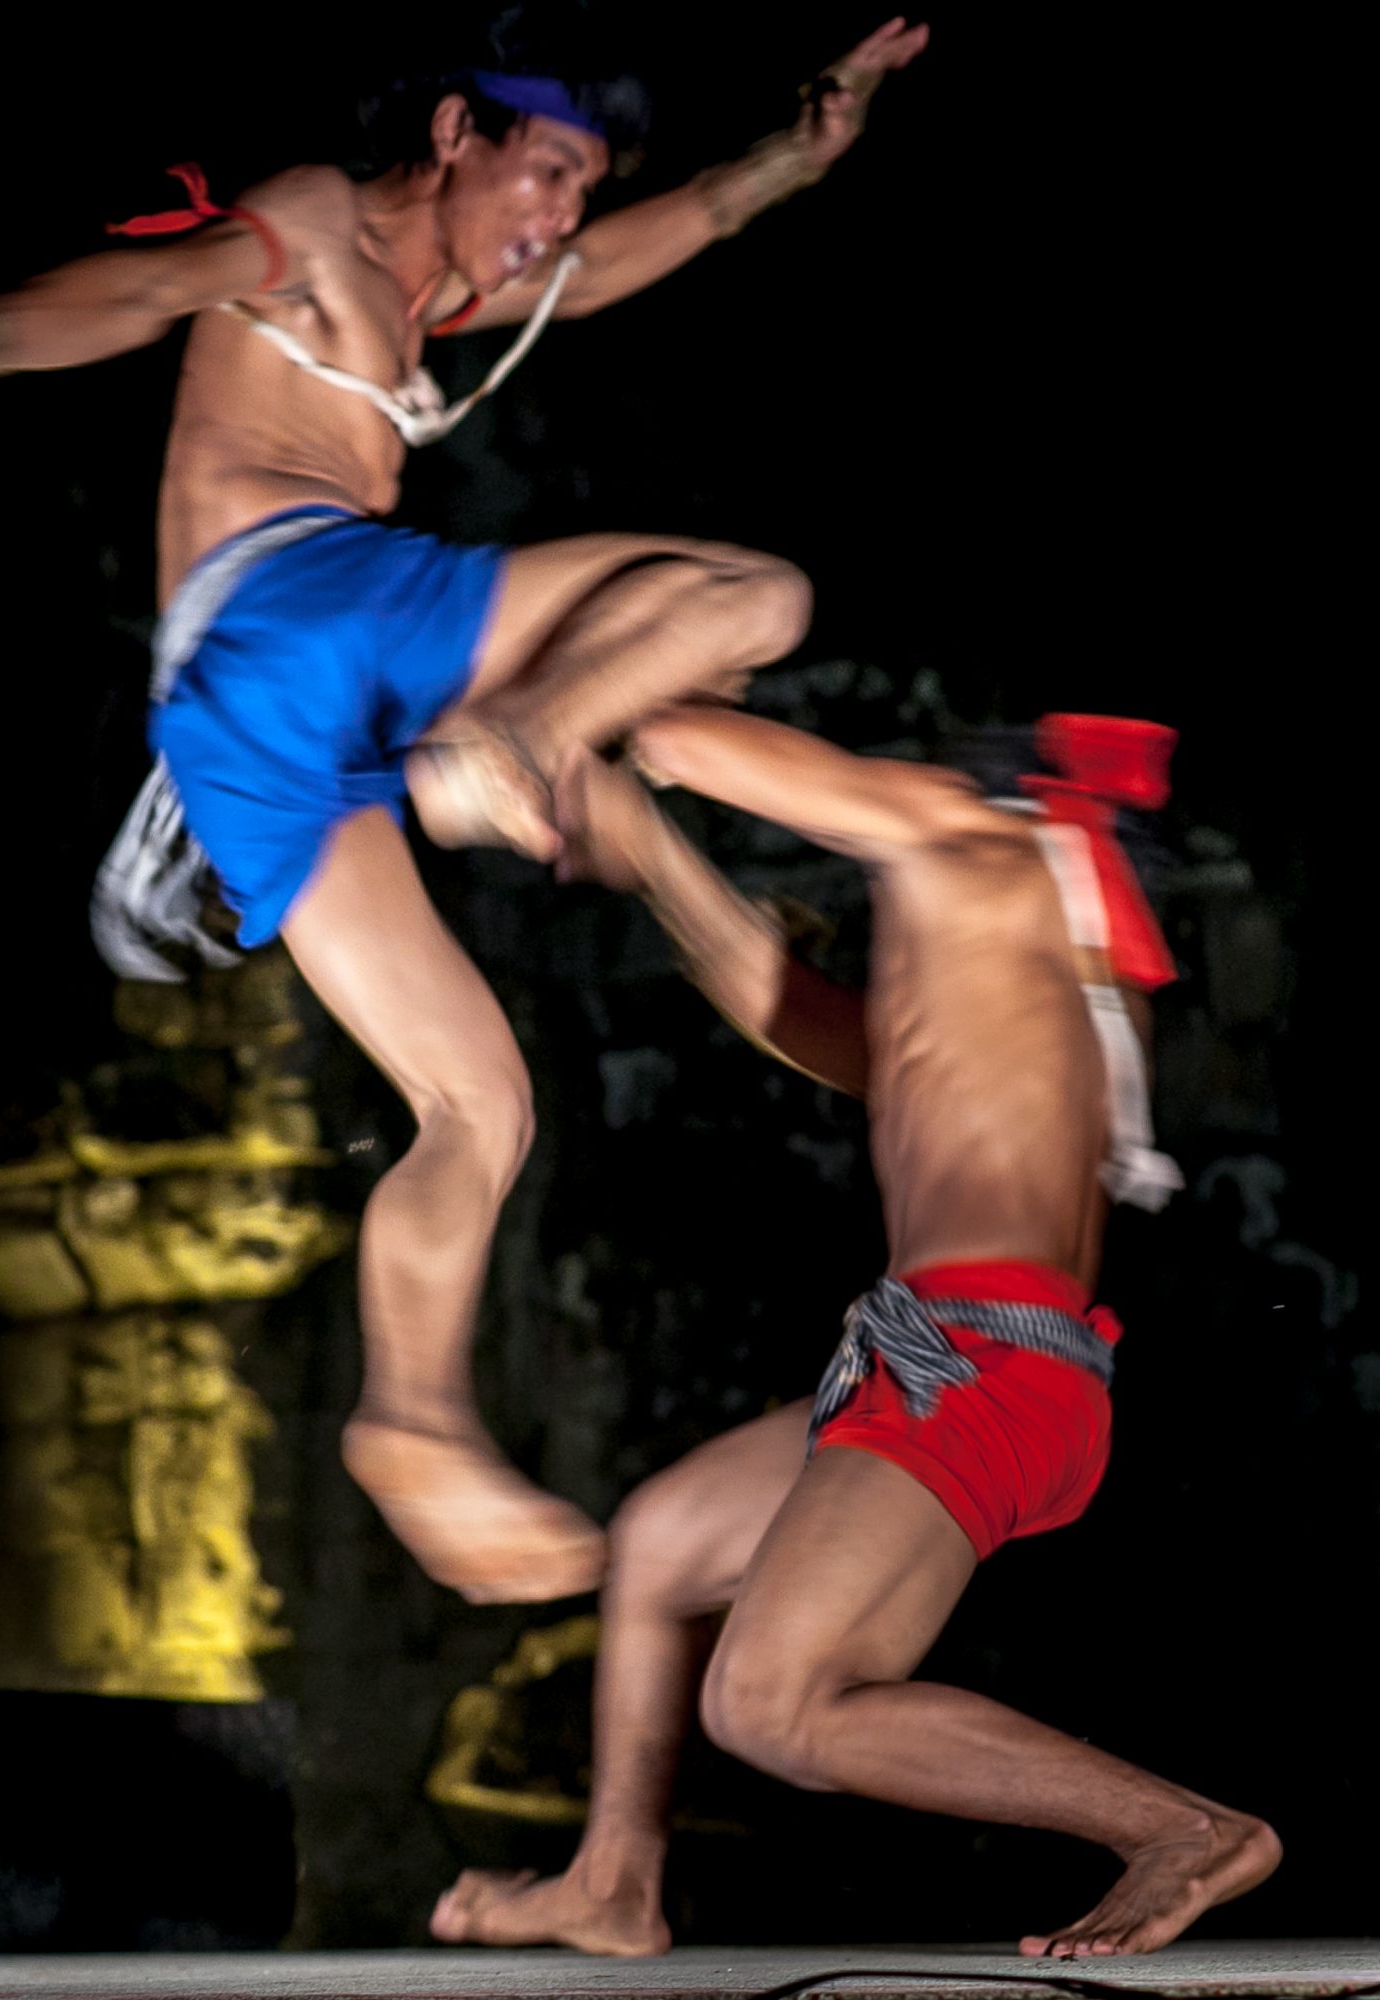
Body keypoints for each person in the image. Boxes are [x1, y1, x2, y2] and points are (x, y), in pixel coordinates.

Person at [0, 18, 929, 1607]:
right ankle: (524, 739)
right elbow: (129, 294)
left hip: (260, 724)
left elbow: (629, 255)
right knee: (751, 595)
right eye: (542, 171)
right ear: (455, 131)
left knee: (480, 1104)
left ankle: (411, 1422)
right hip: (302, 612)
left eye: (576, 188)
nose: (554, 216)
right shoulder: (318, 225)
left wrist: (787, 160)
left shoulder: (450, 286)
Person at [429, 711, 1281, 1957]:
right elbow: (799, 1016)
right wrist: (657, 856)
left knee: (772, 1704)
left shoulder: (972, 844)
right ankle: (613, 1880)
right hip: (970, 1364)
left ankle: (1186, 1829)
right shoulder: (1032, 970)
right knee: (663, 1543)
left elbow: (720, 749)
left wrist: (564, 728)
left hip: (980, 1368)